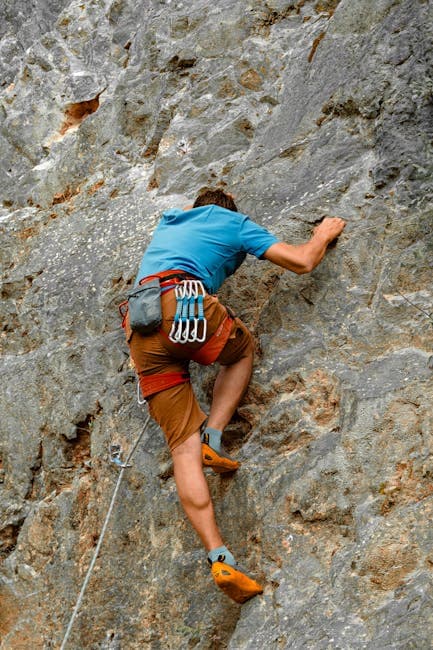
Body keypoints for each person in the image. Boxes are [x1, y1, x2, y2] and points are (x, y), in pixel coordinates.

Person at [122, 187, 345, 603]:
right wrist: (323, 234)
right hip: (184, 304)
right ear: (226, 212)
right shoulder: (232, 222)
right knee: (241, 351)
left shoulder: (170, 221)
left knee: (180, 450)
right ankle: (215, 436)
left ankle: (219, 556)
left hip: (141, 327)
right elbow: (301, 261)